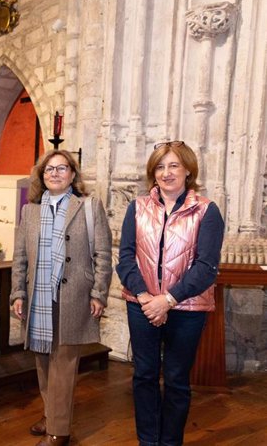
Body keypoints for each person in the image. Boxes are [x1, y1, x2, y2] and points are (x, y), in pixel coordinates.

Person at [116, 140, 224, 446]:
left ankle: (170, 442)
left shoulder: (206, 211)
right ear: (153, 173)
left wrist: (168, 299)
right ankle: (148, 442)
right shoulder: (136, 208)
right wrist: (145, 296)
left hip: (187, 308)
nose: (167, 173)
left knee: (177, 380)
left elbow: (206, 266)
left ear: (188, 170)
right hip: (142, 305)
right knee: (144, 376)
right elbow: (125, 257)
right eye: (160, 167)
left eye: (174, 165)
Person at [11, 150, 112, 446]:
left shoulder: (89, 207)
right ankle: (51, 413)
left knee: (64, 366)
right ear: (41, 176)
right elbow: (20, 257)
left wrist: (99, 293)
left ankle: (59, 430)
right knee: (43, 363)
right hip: (38, 298)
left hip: (73, 297)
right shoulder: (30, 211)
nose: (55, 173)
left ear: (72, 174)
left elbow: (103, 255)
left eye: (62, 168)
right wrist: (18, 292)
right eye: (48, 170)